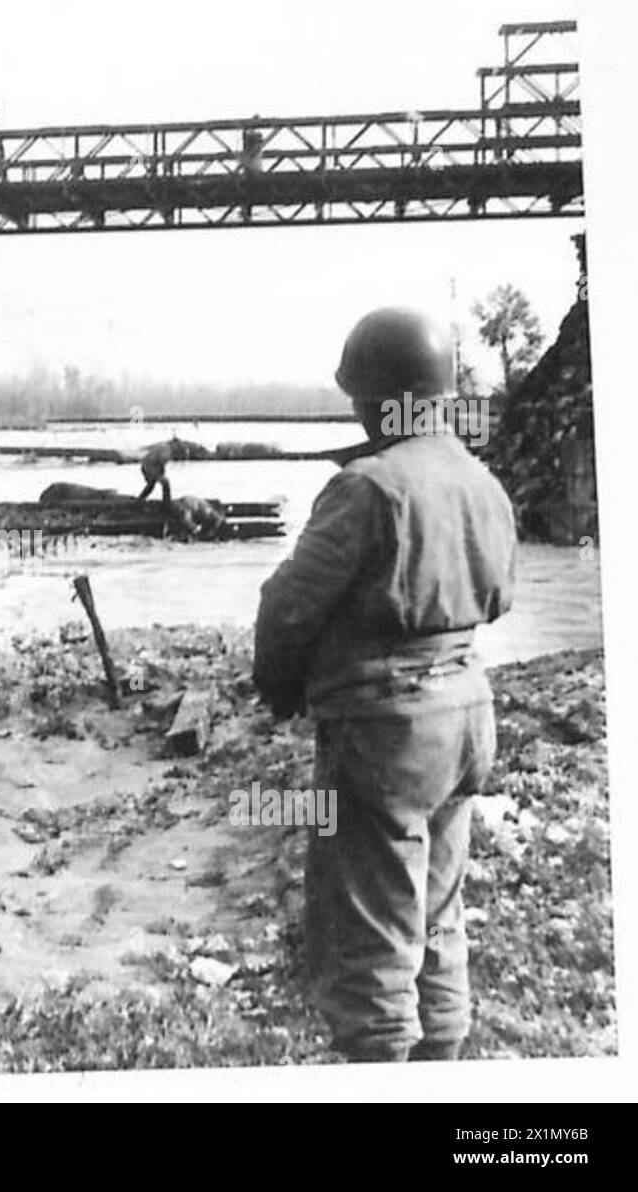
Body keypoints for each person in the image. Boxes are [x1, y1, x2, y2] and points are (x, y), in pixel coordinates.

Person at [252, 307, 516, 1063]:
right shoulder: (481, 482)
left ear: (378, 398)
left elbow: (290, 604)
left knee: (368, 928)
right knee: (438, 914)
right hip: (467, 716)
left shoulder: (367, 488)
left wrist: (279, 685)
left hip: (385, 733)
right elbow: (500, 597)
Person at [135, 435, 188, 502]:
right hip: (149, 467)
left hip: (146, 466)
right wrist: (160, 474)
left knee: (151, 484)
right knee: (165, 482)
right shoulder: (167, 450)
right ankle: (166, 502)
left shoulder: (165, 446)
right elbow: (160, 463)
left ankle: (140, 499)